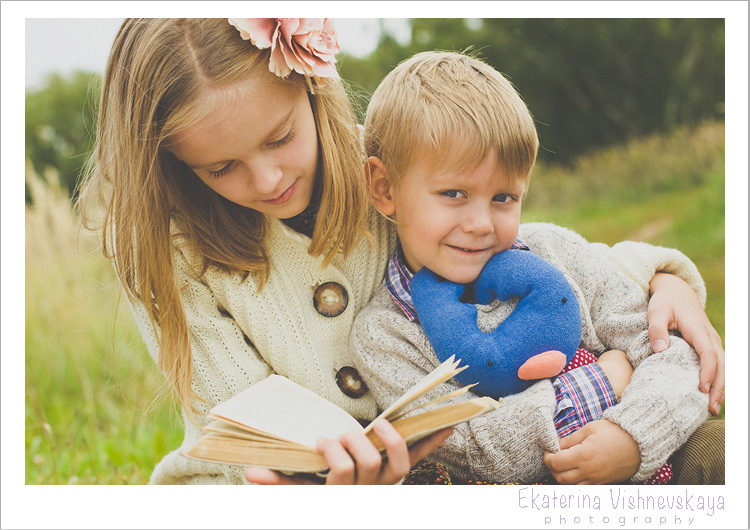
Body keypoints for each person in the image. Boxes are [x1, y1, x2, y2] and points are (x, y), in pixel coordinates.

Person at [78, 19, 723, 486]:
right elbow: (243, 430)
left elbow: (529, 246)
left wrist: (662, 276)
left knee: (720, 442)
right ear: (174, 165)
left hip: (467, 458)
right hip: (278, 493)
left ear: (310, 91)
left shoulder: (394, 168)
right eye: (221, 168)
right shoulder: (174, 258)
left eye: (280, 138)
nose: (268, 179)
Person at [351, 50, 723, 484]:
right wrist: (610, 378)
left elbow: (675, 354)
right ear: (384, 188)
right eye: (453, 193)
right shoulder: (386, 335)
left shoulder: (552, 250)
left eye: (504, 197)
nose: (480, 224)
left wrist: (633, 438)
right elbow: (475, 452)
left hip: (655, 462)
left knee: (725, 452)